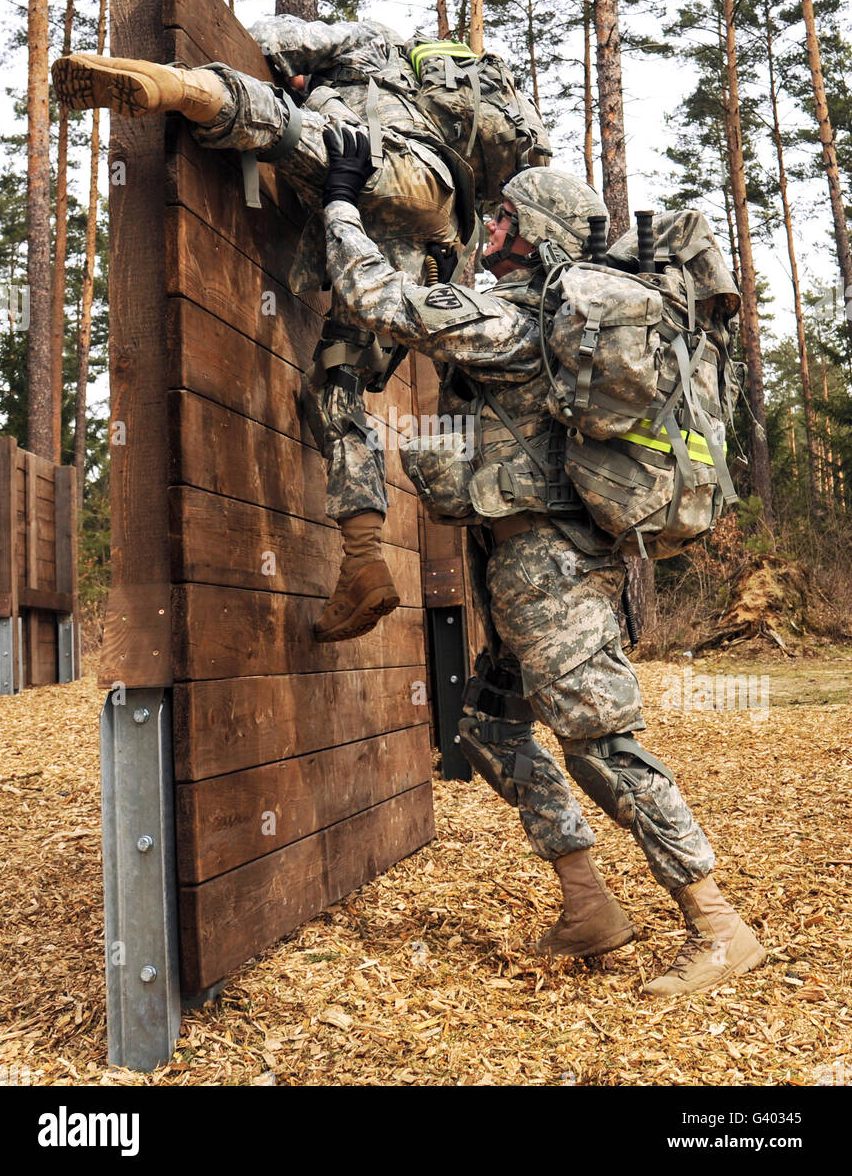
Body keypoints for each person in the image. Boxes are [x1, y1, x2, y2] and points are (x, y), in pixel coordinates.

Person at [316, 124, 766, 996]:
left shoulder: (513, 319)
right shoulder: (527, 321)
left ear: (532, 237)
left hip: (547, 569)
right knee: (489, 726)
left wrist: (340, 203)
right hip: (523, 562)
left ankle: (717, 922)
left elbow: (381, 301)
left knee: (601, 741)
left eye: (503, 223)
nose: (488, 233)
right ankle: (587, 903)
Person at [52, 16, 551, 642]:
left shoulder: (371, 40)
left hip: (377, 160)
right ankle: (363, 559)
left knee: (294, 133)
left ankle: (184, 90)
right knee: (333, 388)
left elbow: (275, 38)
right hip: (441, 218)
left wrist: (296, 79)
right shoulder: (453, 121)